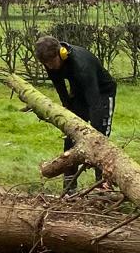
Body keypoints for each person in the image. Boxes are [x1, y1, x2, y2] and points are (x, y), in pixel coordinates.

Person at [34, 34, 116, 193]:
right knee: (71, 137)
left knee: (100, 140)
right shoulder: (49, 62)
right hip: (79, 93)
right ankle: (69, 189)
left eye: (51, 62)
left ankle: (102, 188)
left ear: (61, 53)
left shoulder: (81, 66)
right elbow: (60, 87)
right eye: (46, 64)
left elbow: (94, 102)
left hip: (101, 93)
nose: (49, 66)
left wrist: (95, 133)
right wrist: (67, 110)